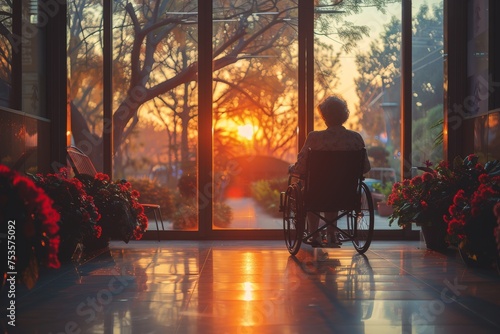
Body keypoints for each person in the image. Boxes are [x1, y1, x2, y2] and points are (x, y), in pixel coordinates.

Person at [289, 95, 371, 247]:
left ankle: (315, 235)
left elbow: (301, 167)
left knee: (312, 188)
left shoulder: (315, 138)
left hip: (317, 193)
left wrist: (291, 169)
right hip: (345, 193)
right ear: (345, 116)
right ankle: (332, 234)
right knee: (334, 189)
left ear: (325, 117)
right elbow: (365, 168)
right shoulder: (355, 138)